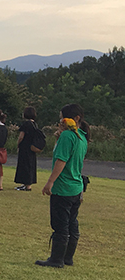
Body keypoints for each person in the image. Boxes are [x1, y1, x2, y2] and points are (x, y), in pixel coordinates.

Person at [36, 104, 88, 268]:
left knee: (60, 224)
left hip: (63, 187)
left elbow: (62, 160)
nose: (60, 121)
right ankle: (67, 257)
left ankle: (56, 259)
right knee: (72, 222)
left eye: (62, 118)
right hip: (76, 187)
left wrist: (50, 182)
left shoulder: (68, 136)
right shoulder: (82, 136)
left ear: (75, 119)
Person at [15, 107, 40, 191]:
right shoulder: (35, 124)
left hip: (25, 147)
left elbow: (21, 136)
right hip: (32, 147)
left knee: (24, 165)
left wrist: (18, 144)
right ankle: (25, 184)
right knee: (31, 164)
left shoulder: (25, 124)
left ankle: (27, 185)